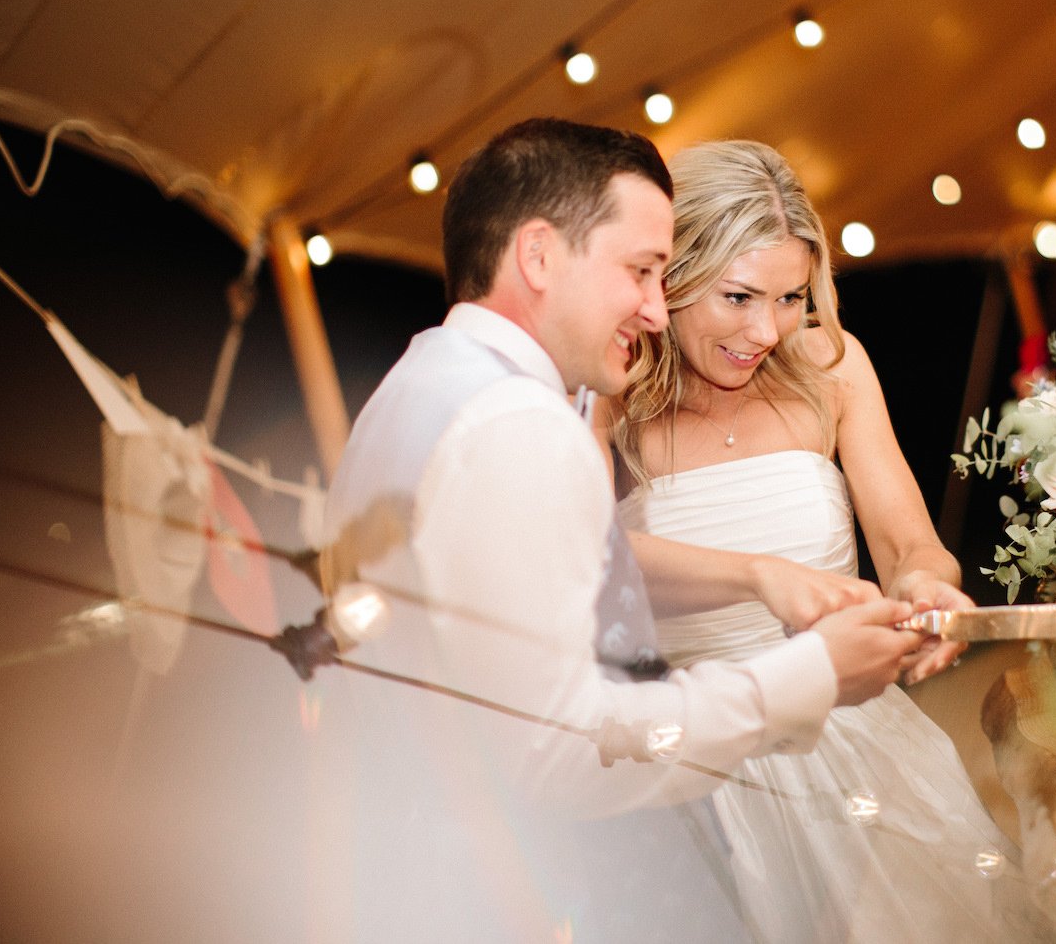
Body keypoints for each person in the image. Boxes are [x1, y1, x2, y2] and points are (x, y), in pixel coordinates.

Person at [318, 119, 926, 942]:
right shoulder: (518, 426)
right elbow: (566, 751)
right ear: (537, 257)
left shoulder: (410, 394)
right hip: (508, 894)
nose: (653, 304)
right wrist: (809, 673)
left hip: (417, 874)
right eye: (641, 271)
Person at [603, 139, 1048, 942]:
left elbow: (909, 540)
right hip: (701, 759)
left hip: (864, 748)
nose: (766, 330)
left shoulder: (832, 368)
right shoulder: (613, 393)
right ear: (671, 276)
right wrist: (760, 576)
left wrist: (927, 586)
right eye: (738, 297)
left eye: (790, 297)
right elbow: (589, 554)